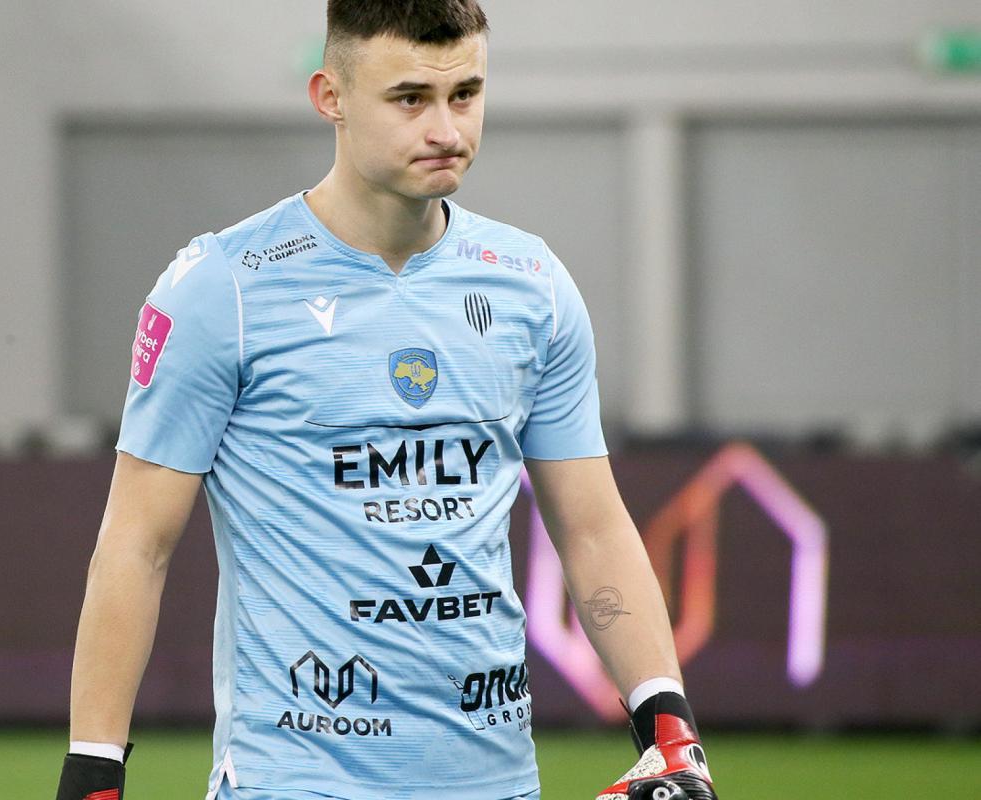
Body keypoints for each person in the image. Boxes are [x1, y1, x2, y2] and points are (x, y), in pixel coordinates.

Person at [55, 2, 718, 799]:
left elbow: (592, 526)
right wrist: (93, 769)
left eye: (465, 94)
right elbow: (136, 543)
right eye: (410, 98)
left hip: (496, 778)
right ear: (330, 97)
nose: (446, 129)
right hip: (293, 780)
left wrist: (669, 726)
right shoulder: (220, 288)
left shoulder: (533, 284)